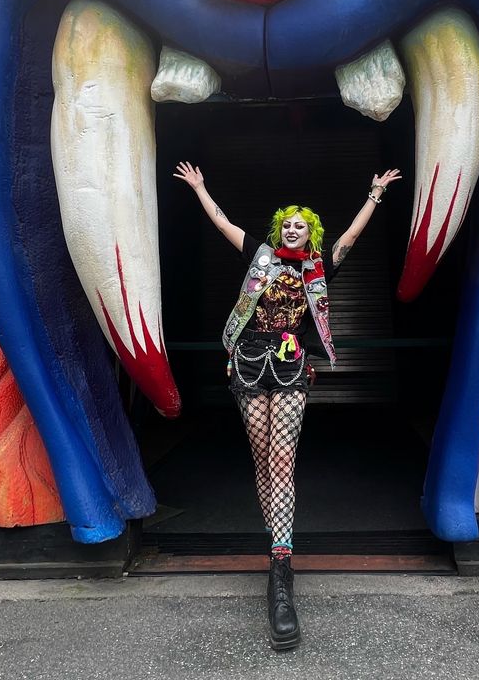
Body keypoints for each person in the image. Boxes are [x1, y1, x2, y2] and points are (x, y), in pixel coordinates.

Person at [173, 161, 402, 651]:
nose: (295, 229)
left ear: (310, 232)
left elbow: (350, 239)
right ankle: (275, 542)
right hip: (250, 363)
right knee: (262, 462)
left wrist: (374, 195)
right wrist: (200, 188)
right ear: (280, 229)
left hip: (293, 365)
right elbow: (222, 224)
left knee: (282, 461)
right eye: (288, 224)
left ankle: (281, 564)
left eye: (303, 224)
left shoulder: (319, 267)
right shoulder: (258, 256)